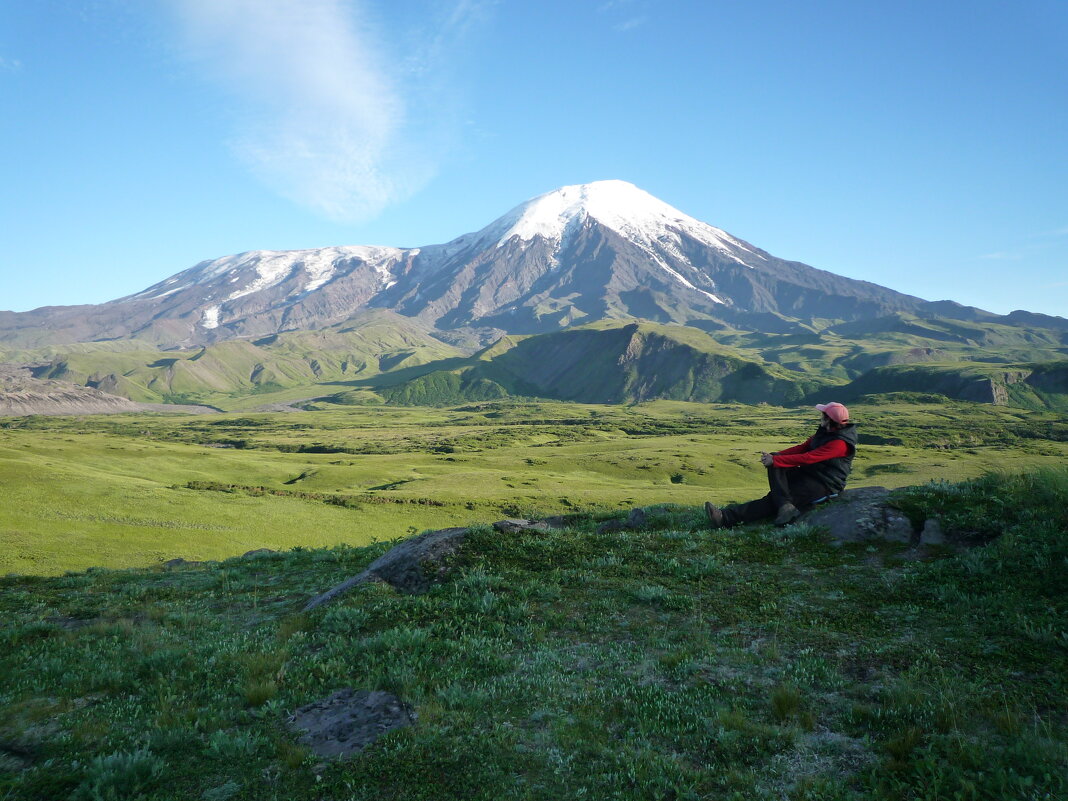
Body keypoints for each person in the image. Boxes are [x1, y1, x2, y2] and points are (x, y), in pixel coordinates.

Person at [705, 402, 857, 528]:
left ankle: (725, 518)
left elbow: (808, 458)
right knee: (778, 472)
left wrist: (776, 461)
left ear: (830, 419)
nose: (820, 418)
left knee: (773, 499)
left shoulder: (839, 444)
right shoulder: (824, 433)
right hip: (809, 475)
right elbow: (801, 448)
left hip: (824, 485)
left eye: (823, 415)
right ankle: (785, 506)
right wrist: (775, 457)